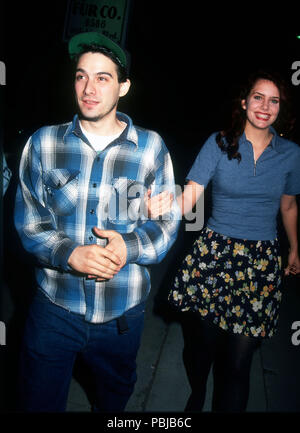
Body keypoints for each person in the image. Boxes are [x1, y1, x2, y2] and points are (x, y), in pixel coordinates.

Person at [14, 31, 180, 412]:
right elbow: (28, 222)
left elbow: (170, 223)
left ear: (123, 86)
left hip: (122, 313)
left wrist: (130, 245)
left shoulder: (151, 149)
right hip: (54, 308)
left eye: (103, 77)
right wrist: (70, 254)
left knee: (113, 403)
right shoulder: (43, 143)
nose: (89, 88)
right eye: (81, 75)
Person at [147, 70, 300, 412]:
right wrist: (161, 205)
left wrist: (294, 248)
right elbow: (189, 199)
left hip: (260, 263)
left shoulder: (290, 154)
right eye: (258, 97)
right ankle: (197, 389)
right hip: (214, 256)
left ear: (280, 109)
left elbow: (288, 205)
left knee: (238, 364)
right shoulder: (219, 143)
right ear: (244, 102)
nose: (265, 106)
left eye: (274, 100)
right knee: (201, 350)